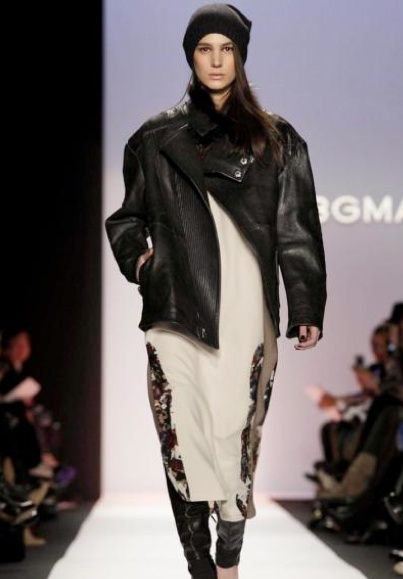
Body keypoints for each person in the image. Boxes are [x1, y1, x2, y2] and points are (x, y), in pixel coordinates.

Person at [105, 4, 327, 578]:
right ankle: (199, 566)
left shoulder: (278, 140)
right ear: (191, 57)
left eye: (226, 49)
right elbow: (125, 219)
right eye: (205, 49)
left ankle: (228, 552)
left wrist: (305, 304)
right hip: (176, 307)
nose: (216, 61)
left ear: (240, 56)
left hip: (246, 309)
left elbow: (296, 229)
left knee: (234, 439)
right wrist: (142, 263)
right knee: (181, 437)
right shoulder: (154, 138)